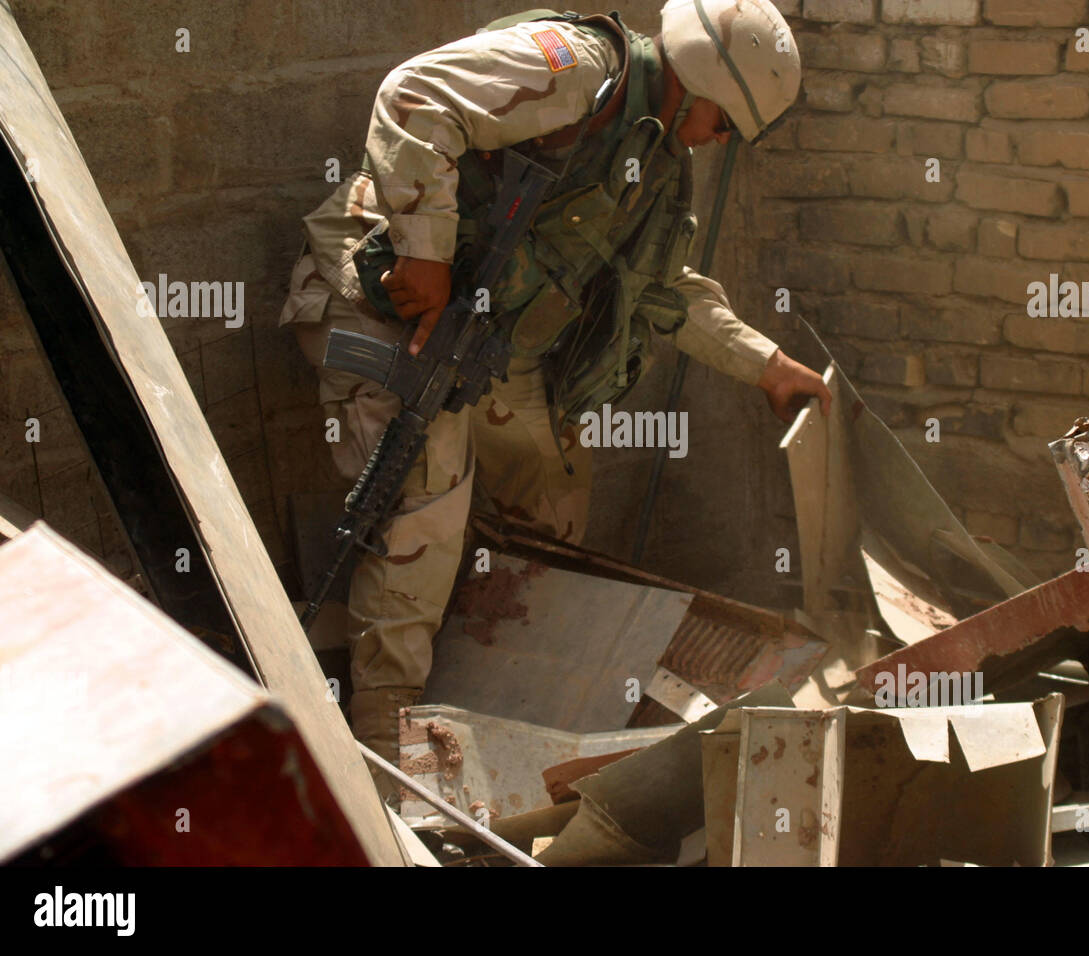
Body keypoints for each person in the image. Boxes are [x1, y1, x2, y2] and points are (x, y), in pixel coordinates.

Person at [279, 0, 831, 805]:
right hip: (374, 299)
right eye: (726, 124)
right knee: (426, 504)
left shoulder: (659, 159)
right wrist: (426, 254)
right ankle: (388, 758)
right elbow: (413, 96)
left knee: (554, 483)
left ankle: (504, 695)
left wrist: (768, 364)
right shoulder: (577, 71)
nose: (720, 143)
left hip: (475, 332)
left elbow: (668, 287)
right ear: (703, 83)